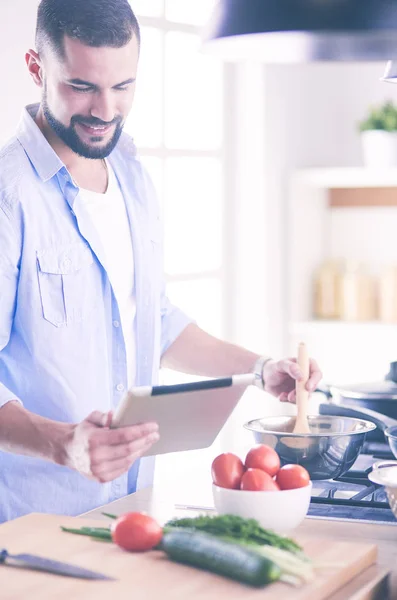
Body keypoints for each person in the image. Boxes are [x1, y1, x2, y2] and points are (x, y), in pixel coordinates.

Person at [0, 0, 322, 523]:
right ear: (37, 67)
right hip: (31, 524)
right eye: (82, 87)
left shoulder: (131, 176)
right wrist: (64, 444)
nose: (105, 110)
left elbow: (154, 320)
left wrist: (260, 370)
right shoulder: (8, 196)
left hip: (131, 509)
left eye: (123, 86)